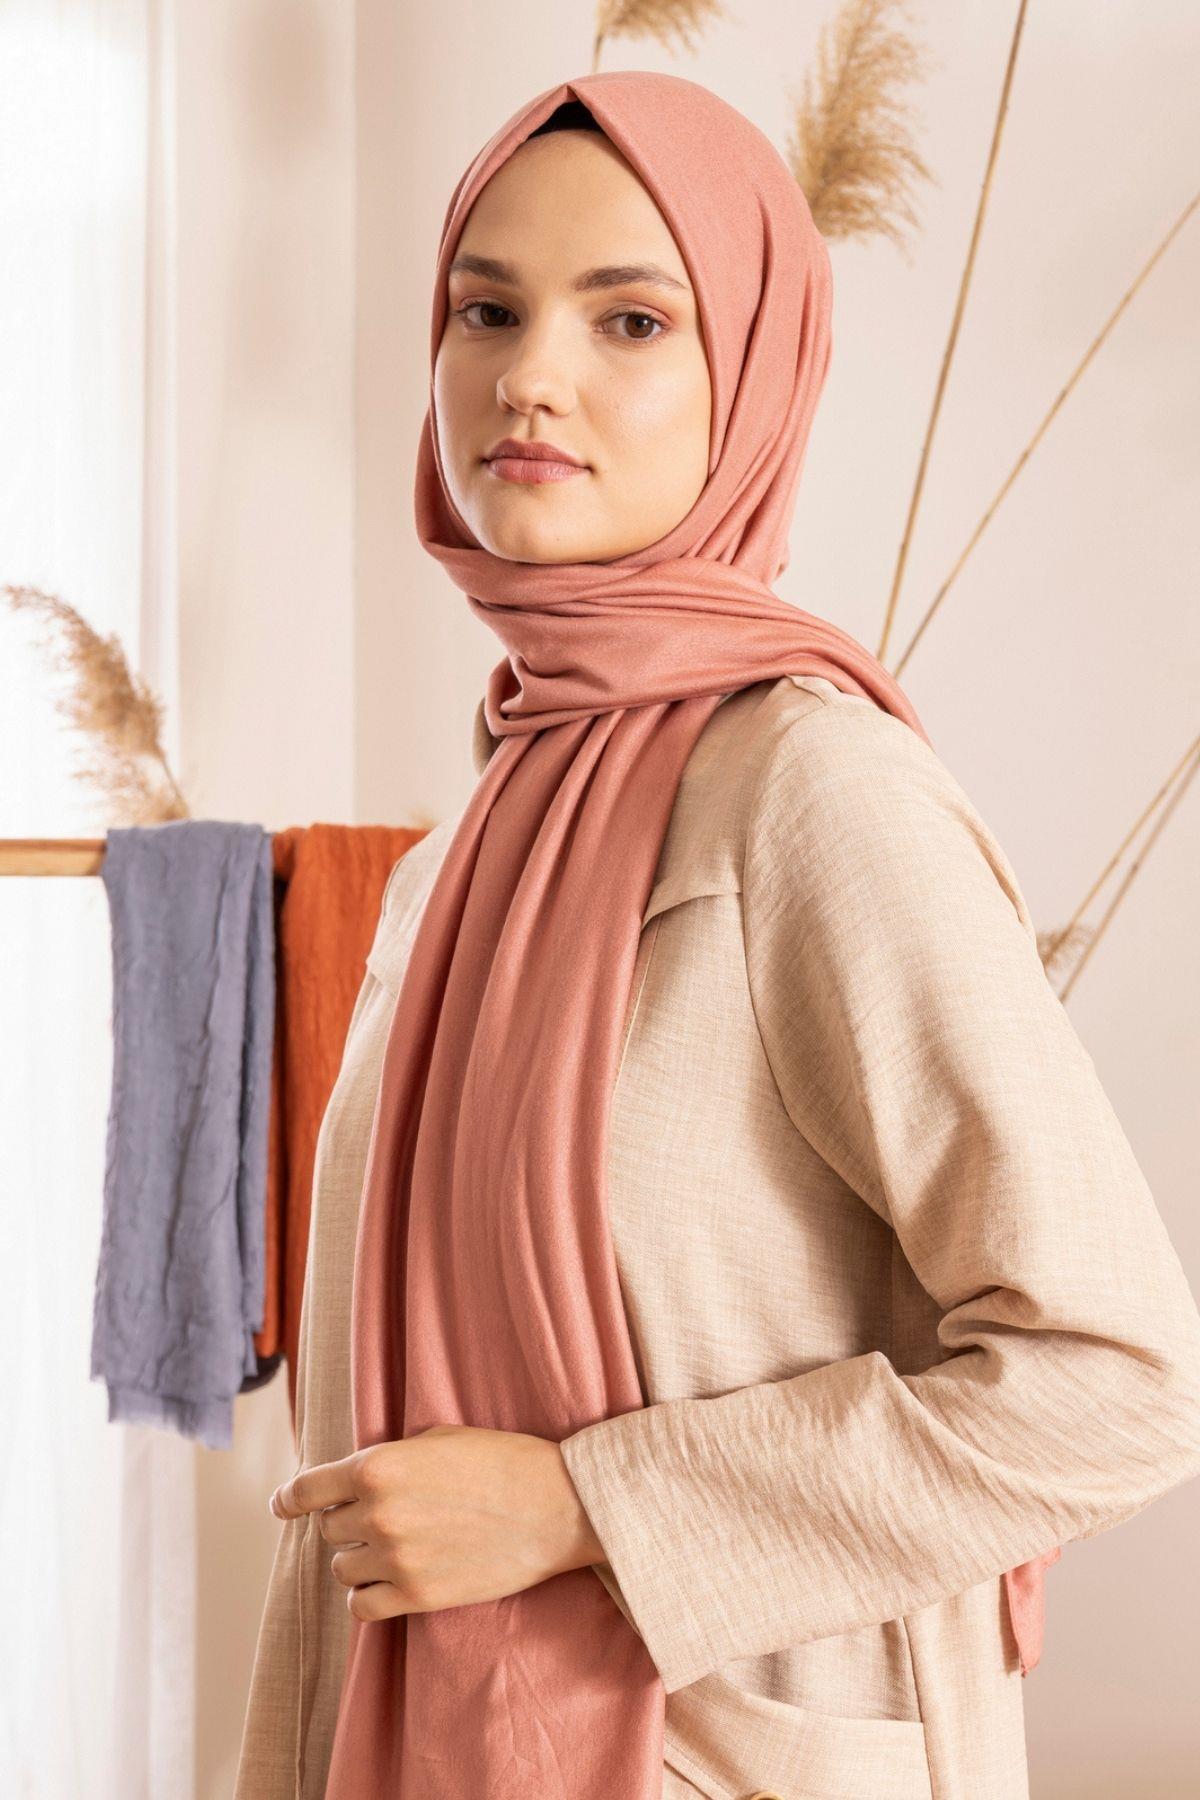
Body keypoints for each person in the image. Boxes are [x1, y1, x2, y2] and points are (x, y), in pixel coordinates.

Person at [234, 73, 1200, 1800]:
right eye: (487, 310)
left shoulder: (813, 794)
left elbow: (1117, 1378)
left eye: (630, 320)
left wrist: (584, 1505)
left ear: (751, 376)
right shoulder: (458, 855)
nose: (530, 377)